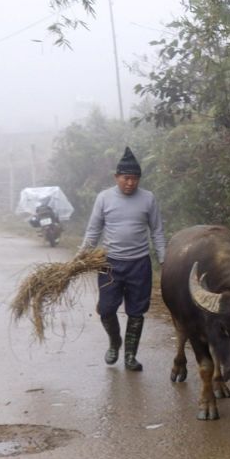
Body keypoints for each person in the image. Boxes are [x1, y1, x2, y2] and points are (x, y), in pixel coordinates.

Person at [79, 147, 166, 372]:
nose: (131, 183)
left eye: (135, 178)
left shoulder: (148, 198)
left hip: (139, 264)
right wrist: (81, 256)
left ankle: (130, 355)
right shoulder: (104, 198)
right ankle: (114, 342)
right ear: (116, 177)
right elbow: (93, 230)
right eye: (126, 178)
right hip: (110, 264)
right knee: (106, 309)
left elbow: (156, 231)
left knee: (136, 311)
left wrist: (164, 259)